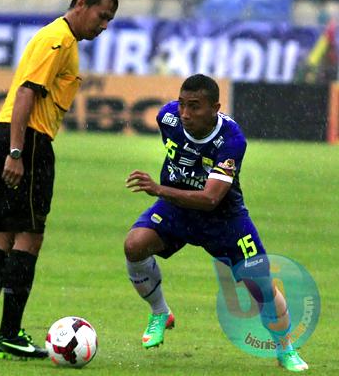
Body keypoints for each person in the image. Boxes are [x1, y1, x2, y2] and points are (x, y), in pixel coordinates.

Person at [0, 0, 117, 360]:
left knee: (4, 237)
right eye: (102, 16)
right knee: (29, 236)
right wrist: (17, 151)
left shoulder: (60, 37)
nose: (104, 25)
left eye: (110, 20)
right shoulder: (59, 39)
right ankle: (9, 334)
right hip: (26, 138)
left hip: (12, 135)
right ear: (81, 4)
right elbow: (28, 91)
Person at [123, 74, 308, 372]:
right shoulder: (166, 118)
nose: (185, 113)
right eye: (182, 104)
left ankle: (286, 348)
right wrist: (170, 190)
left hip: (224, 219)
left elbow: (211, 198)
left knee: (260, 285)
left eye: (194, 106)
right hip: (178, 209)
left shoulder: (232, 140)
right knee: (134, 245)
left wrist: (158, 189)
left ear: (215, 108)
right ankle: (160, 313)